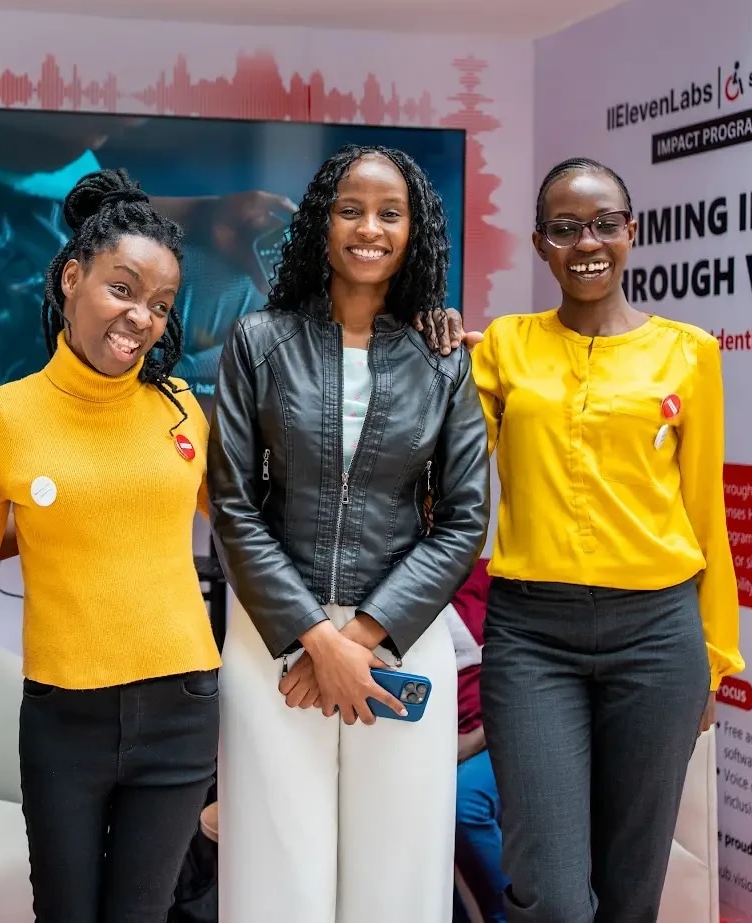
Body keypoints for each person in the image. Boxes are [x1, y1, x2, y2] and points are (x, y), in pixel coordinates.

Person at [208, 144, 492, 923]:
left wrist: (358, 638)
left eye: (389, 212)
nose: (369, 228)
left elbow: (464, 519)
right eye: (350, 208)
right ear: (320, 224)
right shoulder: (258, 341)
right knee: (275, 871)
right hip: (274, 640)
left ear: (415, 230)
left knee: (398, 878)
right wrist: (313, 637)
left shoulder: (443, 361)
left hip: (399, 637)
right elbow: (233, 503)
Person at [471, 157, 743, 923]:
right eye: (564, 228)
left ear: (633, 231)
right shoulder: (503, 346)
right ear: (540, 244)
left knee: (632, 892)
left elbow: (705, 509)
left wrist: (715, 658)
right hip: (532, 635)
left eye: (602, 224)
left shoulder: (690, 353)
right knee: (552, 895)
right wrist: (434, 360)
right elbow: (454, 460)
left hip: (658, 638)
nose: (585, 242)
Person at [0, 168, 221, 923]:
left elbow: (249, 529)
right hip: (65, 714)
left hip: (182, 699)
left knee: (145, 914)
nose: (140, 316)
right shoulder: (4, 415)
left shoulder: (182, 408)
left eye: (160, 303)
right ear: (73, 277)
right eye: (122, 288)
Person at [446, 560, 506, 923]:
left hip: (500, 734)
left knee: (463, 801)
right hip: (426, 748)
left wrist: (474, 740)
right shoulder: (388, 592)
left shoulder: (488, 576)